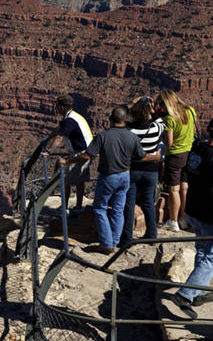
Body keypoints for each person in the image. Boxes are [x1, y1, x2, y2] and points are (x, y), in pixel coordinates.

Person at [60, 106, 159, 253]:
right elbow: (142, 156)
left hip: (108, 177)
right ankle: (114, 241)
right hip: (125, 176)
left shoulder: (103, 136)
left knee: (100, 208)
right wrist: (156, 157)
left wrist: (67, 162)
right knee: (118, 210)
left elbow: (87, 155)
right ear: (125, 120)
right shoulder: (132, 136)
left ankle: (106, 244)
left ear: (111, 119)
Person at [169, 117, 213, 319]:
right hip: (209, 215)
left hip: (193, 210)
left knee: (203, 251)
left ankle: (200, 291)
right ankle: (185, 294)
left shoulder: (198, 150)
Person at [121, 97, 164, 243]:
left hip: (132, 170)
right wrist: (151, 109)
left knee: (129, 204)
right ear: (148, 114)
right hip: (151, 171)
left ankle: (126, 238)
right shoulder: (156, 128)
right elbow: (161, 121)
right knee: (148, 203)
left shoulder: (128, 130)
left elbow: (115, 116)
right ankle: (152, 235)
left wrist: (131, 103)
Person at [155, 90, 196, 232]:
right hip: (189, 153)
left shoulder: (170, 118)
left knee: (174, 190)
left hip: (175, 156)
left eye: (160, 104)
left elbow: (169, 143)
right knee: (185, 187)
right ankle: (183, 219)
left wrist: (162, 136)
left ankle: (173, 221)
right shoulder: (190, 110)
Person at [43, 95, 93, 209]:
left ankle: (65, 207)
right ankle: (78, 206)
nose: (56, 108)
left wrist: (48, 150)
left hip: (81, 153)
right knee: (79, 181)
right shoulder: (73, 116)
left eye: (57, 106)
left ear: (61, 107)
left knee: (66, 180)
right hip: (86, 151)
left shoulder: (69, 120)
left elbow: (59, 137)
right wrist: (47, 140)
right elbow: (58, 130)